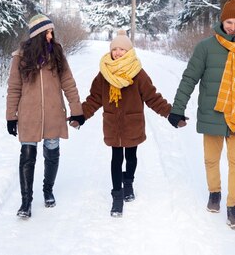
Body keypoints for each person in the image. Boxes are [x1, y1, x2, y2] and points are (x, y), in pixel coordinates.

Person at [169, 0, 235, 230]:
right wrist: (177, 109)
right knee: (211, 159)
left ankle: (233, 208)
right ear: (221, 21)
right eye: (229, 22)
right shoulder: (206, 47)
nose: (233, 27)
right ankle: (214, 192)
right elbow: (189, 79)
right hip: (212, 112)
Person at [69, 29, 187, 217]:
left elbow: (152, 98)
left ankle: (128, 183)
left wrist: (171, 114)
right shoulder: (104, 74)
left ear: (129, 52)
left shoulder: (138, 73)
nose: (117, 52)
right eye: (114, 49)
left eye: (121, 49)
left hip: (132, 123)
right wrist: (80, 116)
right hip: (113, 124)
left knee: (131, 156)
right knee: (116, 158)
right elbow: (94, 99)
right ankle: (117, 196)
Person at [6, 14, 83, 218]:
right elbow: (14, 88)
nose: (51, 35)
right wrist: (10, 116)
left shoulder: (57, 54)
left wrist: (77, 110)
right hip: (29, 115)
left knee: (51, 154)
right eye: (48, 32)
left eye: (52, 32)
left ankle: (48, 190)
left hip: (53, 113)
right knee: (27, 157)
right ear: (38, 34)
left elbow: (68, 83)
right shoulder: (20, 57)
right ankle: (26, 202)